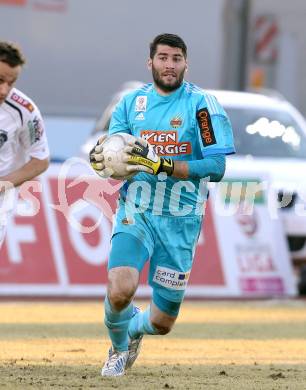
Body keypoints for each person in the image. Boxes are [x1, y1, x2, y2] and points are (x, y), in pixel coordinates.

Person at [90, 33, 235, 377]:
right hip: (136, 209)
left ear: (186, 63)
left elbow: (216, 167)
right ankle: (119, 349)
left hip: (181, 218)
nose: (169, 65)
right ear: (150, 62)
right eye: (163, 58)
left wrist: (165, 165)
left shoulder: (202, 107)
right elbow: (116, 150)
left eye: (176, 59)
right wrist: (102, 158)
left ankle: (136, 331)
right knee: (120, 288)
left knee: (162, 321)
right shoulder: (131, 103)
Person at [0, 41, 49, 249]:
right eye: (0, 80)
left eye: (11, 83)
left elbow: (41, 160)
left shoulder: (24, 110)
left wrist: (4, 183)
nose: (4, 90)